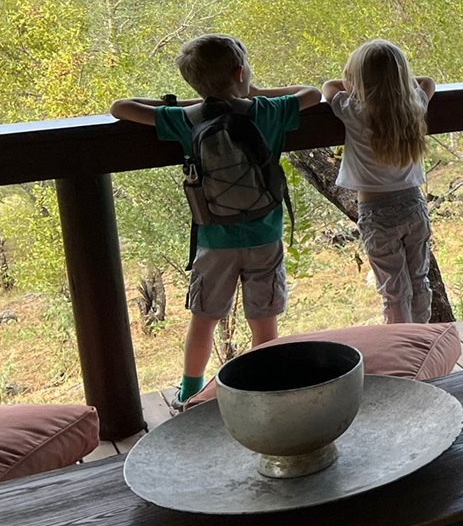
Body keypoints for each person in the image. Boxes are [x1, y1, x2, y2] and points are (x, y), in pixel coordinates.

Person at [111, 34, 320, 407]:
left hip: (214, 238)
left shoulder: (186, 119)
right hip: (264, 235)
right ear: (240, 72)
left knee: (204, 319)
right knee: (264, 320)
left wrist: (195, 101)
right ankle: (262, 389)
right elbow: (312, 94)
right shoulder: (266, 111)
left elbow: (120, 107)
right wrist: (255, 93)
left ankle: (190, 392)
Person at [324, 39, 436, 324]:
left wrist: (355, 83)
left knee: (394, 291)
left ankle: (402, 342)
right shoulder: (413, 105)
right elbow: (428, 81)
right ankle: (422, 336)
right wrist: (399, 83)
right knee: (419, 279)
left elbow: (328, 86)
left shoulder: (354, 109)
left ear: (359, 80)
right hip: (414, 205)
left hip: (377, 213)